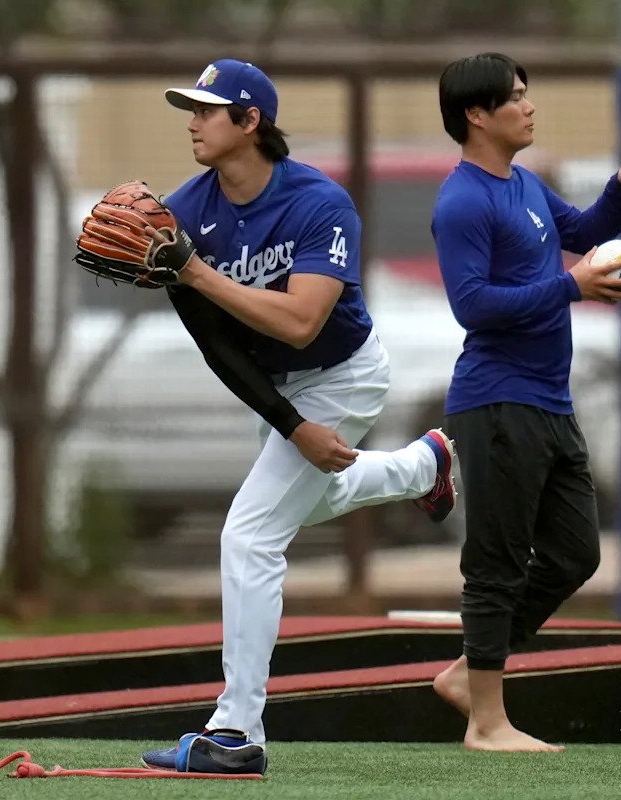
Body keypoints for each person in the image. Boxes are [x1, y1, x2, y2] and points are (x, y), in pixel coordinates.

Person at [137, 58, 458, 775]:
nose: (192, 121)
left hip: (345, 373)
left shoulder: (318, 202)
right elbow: (220, 346)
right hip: (283, 387)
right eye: (190, 108)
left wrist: (194, 273)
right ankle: (426, 462)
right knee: (323, 492)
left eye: (207, 109)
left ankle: (236, 733)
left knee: (250, 535)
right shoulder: (185, 215)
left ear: (251, 122)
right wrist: (291, 425)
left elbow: (304, 323)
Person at [429, 52, 621, 752]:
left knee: (573, 555)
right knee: (496, 563)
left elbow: (588, 233)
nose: (530, 107)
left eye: (528, 94)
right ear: (478, 115)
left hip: (549, 405)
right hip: (496, 402)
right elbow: (472, 306)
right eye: (516, 97)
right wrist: (573, 288)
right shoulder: (463, 200)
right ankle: (487, 722)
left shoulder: (524, 185)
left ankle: (464, 676)